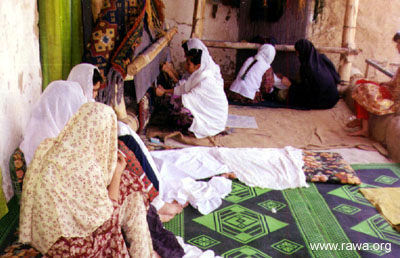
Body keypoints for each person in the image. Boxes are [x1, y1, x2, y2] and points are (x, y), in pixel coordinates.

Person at [19, 102, 158, 257]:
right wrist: (117, 173)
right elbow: (106, 214)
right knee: (130, 187)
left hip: (46, 240)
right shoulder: (88, 166)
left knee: (127, 184)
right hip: (71, 248)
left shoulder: (50, 148)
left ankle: (146, 251)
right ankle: (144, 253)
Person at [20, 63, 102, 165]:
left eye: (97, 90)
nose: (95, 95)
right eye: (93, 90)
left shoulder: (66, 93)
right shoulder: (71, 97)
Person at [155, 38, 228, 138]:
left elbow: (182, 99)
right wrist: (165, 91)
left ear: (197, 66)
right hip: (210, 116)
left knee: (176, 111)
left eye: (188, 64)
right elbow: (184, 88)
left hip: (212, 123)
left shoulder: (206, 81)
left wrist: (163, 94)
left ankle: (194, 129)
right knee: (173, 108)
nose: (185, 66)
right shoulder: (200, 74)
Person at [348, 31, 400, 137]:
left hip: (395, 98)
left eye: (399, 44)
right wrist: (382, 85)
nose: (397, 47)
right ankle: (361, 121)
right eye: (397, 44)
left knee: (364, 88)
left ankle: (364, 126)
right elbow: (393, 82)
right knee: (361, 82)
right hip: (390, 90)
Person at [283, 39, 340, 109]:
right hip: (334, 98)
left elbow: (307, 92)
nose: (297, 55)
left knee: (289, 97)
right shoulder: (322, 57)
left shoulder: (306, 68)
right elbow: (336, 77)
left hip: (323, 102)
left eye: (297, 52)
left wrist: (291, 85)